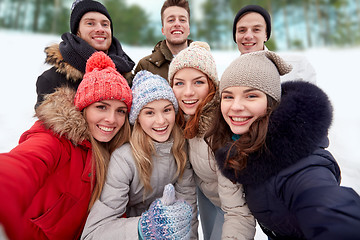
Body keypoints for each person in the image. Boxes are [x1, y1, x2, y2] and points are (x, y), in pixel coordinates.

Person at [206, 50, 360, 239]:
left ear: (271, 102)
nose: (236, 106)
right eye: (228, 96)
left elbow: (331, 212)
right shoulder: (246, 146)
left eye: (251, 96)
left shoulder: (300, 166)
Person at [0, 51, 132, 240]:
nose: (111, 119)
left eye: (120, 111)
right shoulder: (56, 139)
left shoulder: (116, 152)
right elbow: (24, 163)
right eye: (101, 107)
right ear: (84, 108)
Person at [81, 70, 198, 240]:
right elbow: (94, 233)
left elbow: (188, 212)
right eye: (149, 112)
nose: (161, 121)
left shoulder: (180, 151)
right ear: (138, 119)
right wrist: (145, 228)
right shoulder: (124, 159)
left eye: (166, 110)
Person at [169, 41, 255, 239]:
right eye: (179, 83)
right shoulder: (178, 121)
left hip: (229, 207)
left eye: (198, 82)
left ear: (212, 86)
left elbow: (238, 212)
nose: (188, 92)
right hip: (207, 196)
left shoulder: (220, 131)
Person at [35, 0, 135, 108]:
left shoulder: (128, 76)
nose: (100, 29)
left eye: (105, 24)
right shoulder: (52, 79)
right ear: (77, 31)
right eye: (90, 23)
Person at [233, 4, 316, 83]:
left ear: (266, 35)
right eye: (242, 30)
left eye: (256, 30)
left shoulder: (296, 66)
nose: (248, 36)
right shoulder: (230, 75)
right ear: (235, 36)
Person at [133, 0, 192, 82]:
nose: (177, 24)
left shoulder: (204, 62)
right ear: (163, 30)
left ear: (189, 29)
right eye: (171, 20)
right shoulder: (145, 66)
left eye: (182, 20)